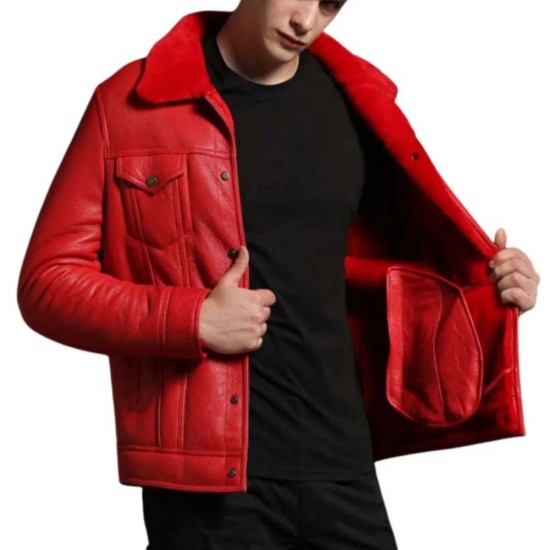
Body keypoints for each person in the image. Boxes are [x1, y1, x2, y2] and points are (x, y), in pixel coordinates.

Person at [17, 1, 540, 549]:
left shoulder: (357, 101)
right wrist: (193, 320)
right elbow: (46, 282)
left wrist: (489, 285)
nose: (306, 21)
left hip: (341, 460)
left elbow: (394, 271)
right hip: (209, 484)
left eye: (330, 4)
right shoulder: (131, 102)